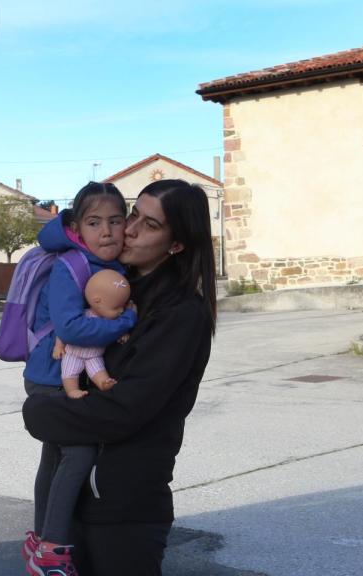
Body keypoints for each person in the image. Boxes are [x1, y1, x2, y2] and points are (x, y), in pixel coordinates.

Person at [22, 179, 218, 576]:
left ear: (176, 243)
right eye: (133, 214)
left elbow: (124, 410)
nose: (127, 229)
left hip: (123, 512)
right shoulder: (114, 287)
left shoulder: (180, 314)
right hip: (80, 500)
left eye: (149, 225)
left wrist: (38, 412)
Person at [20, 182, 138, 575]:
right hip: (52, 377)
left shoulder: (104, 264)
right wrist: (126, 319)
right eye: (94, 222)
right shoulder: (71, 265)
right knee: (79, 453)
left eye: (115, 220)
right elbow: (70, 329)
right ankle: (52, 551)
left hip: (59, 373)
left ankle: (40, 542)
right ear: (77, 228)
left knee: (55, 455)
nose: (106, 231)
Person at [52, 268, 132, 396]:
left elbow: (114, 331)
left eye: (123, 305)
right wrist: (59, 345)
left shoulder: (113, 321)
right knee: (69, 374)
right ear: (97, 301)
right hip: (73, 353)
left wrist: (123, 334)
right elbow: (63, 330)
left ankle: (104, 383)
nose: (122, 311)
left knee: (99, 371)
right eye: (116, 307)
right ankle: (72, 391)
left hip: (95, 355)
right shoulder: (82, 316)